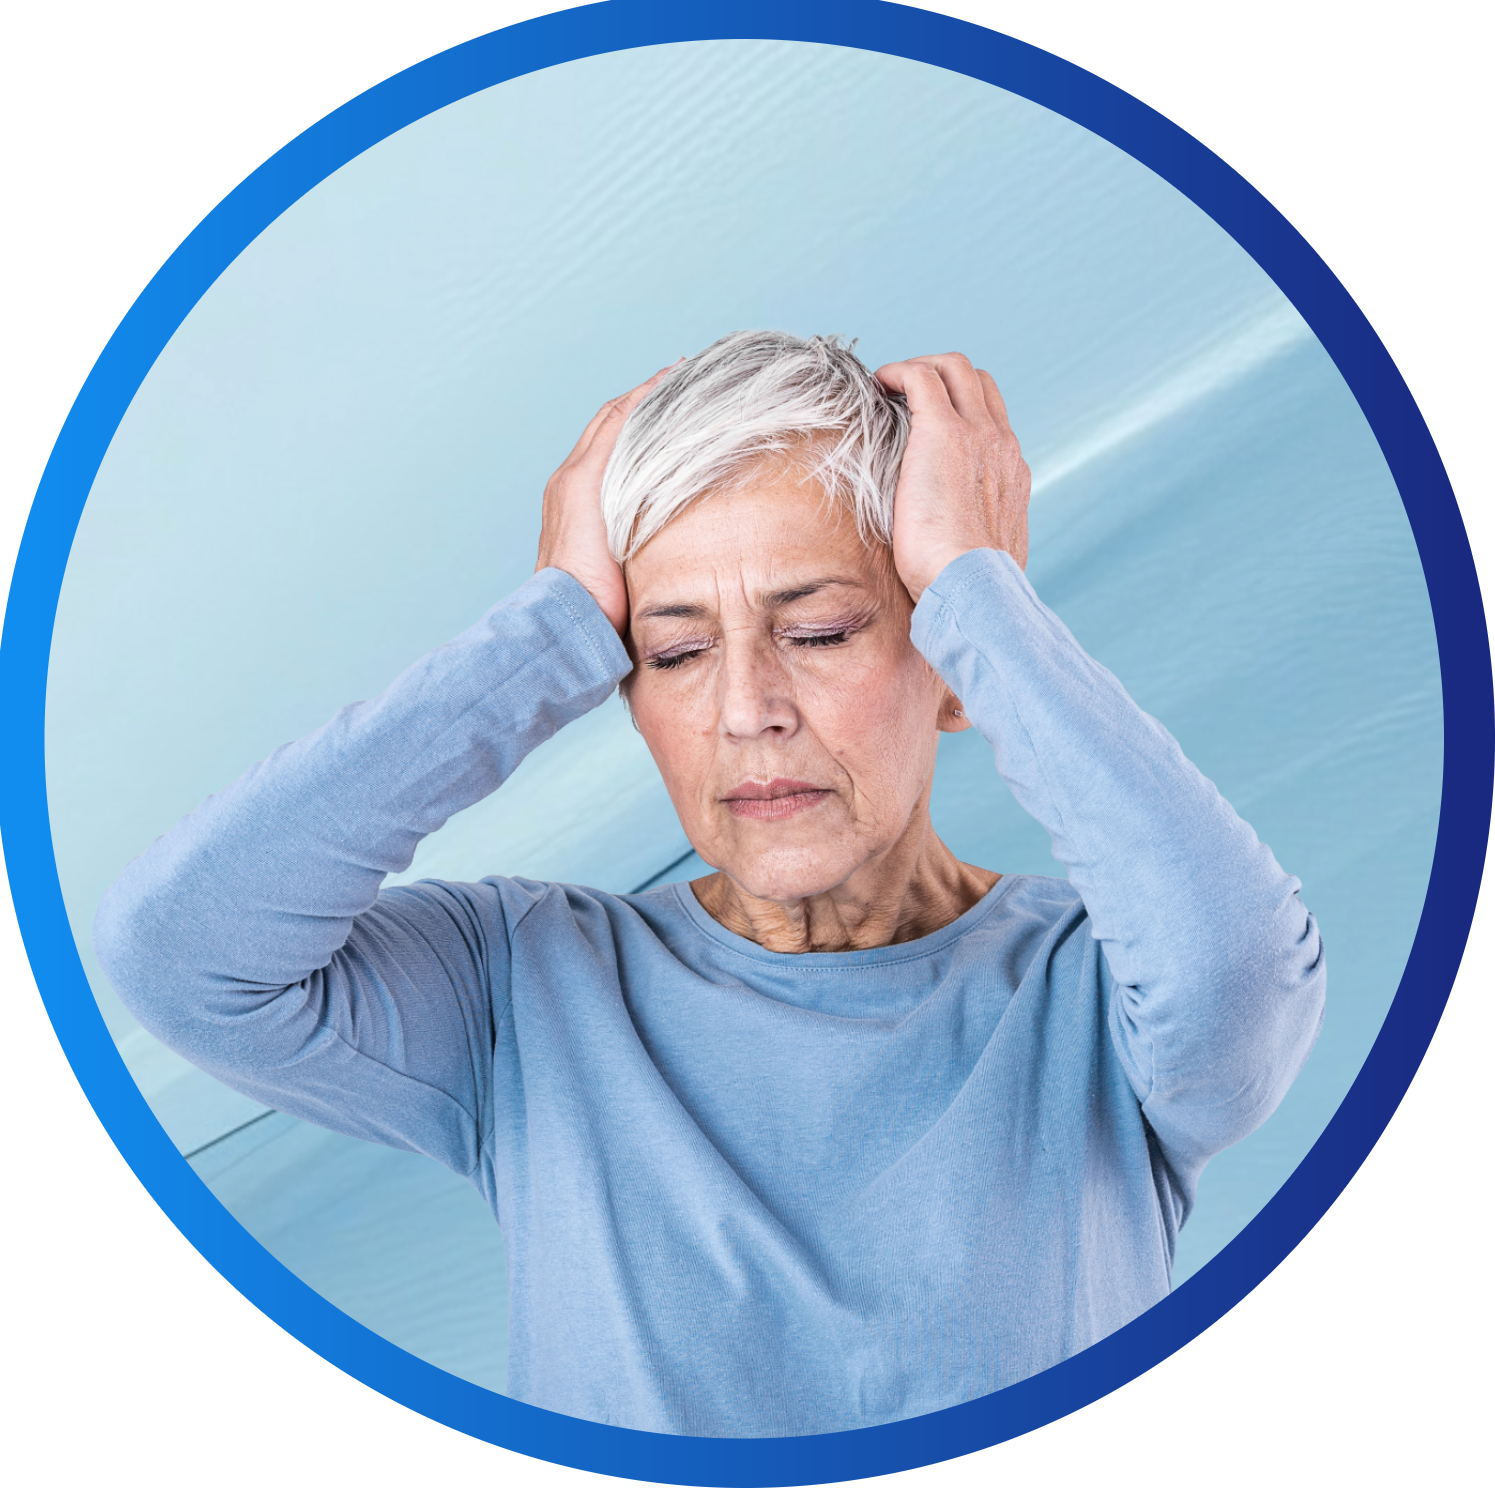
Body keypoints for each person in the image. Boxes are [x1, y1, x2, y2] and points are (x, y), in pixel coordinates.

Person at [94, 331, 1326, 1438]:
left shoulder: (1101, 989)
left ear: (951, 665)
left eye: (822, 629)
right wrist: (555, 622)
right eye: (673, 651)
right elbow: (179, 950)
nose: (746, 712)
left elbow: (1236, 970)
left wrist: (973, 586)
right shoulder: (524, 986)